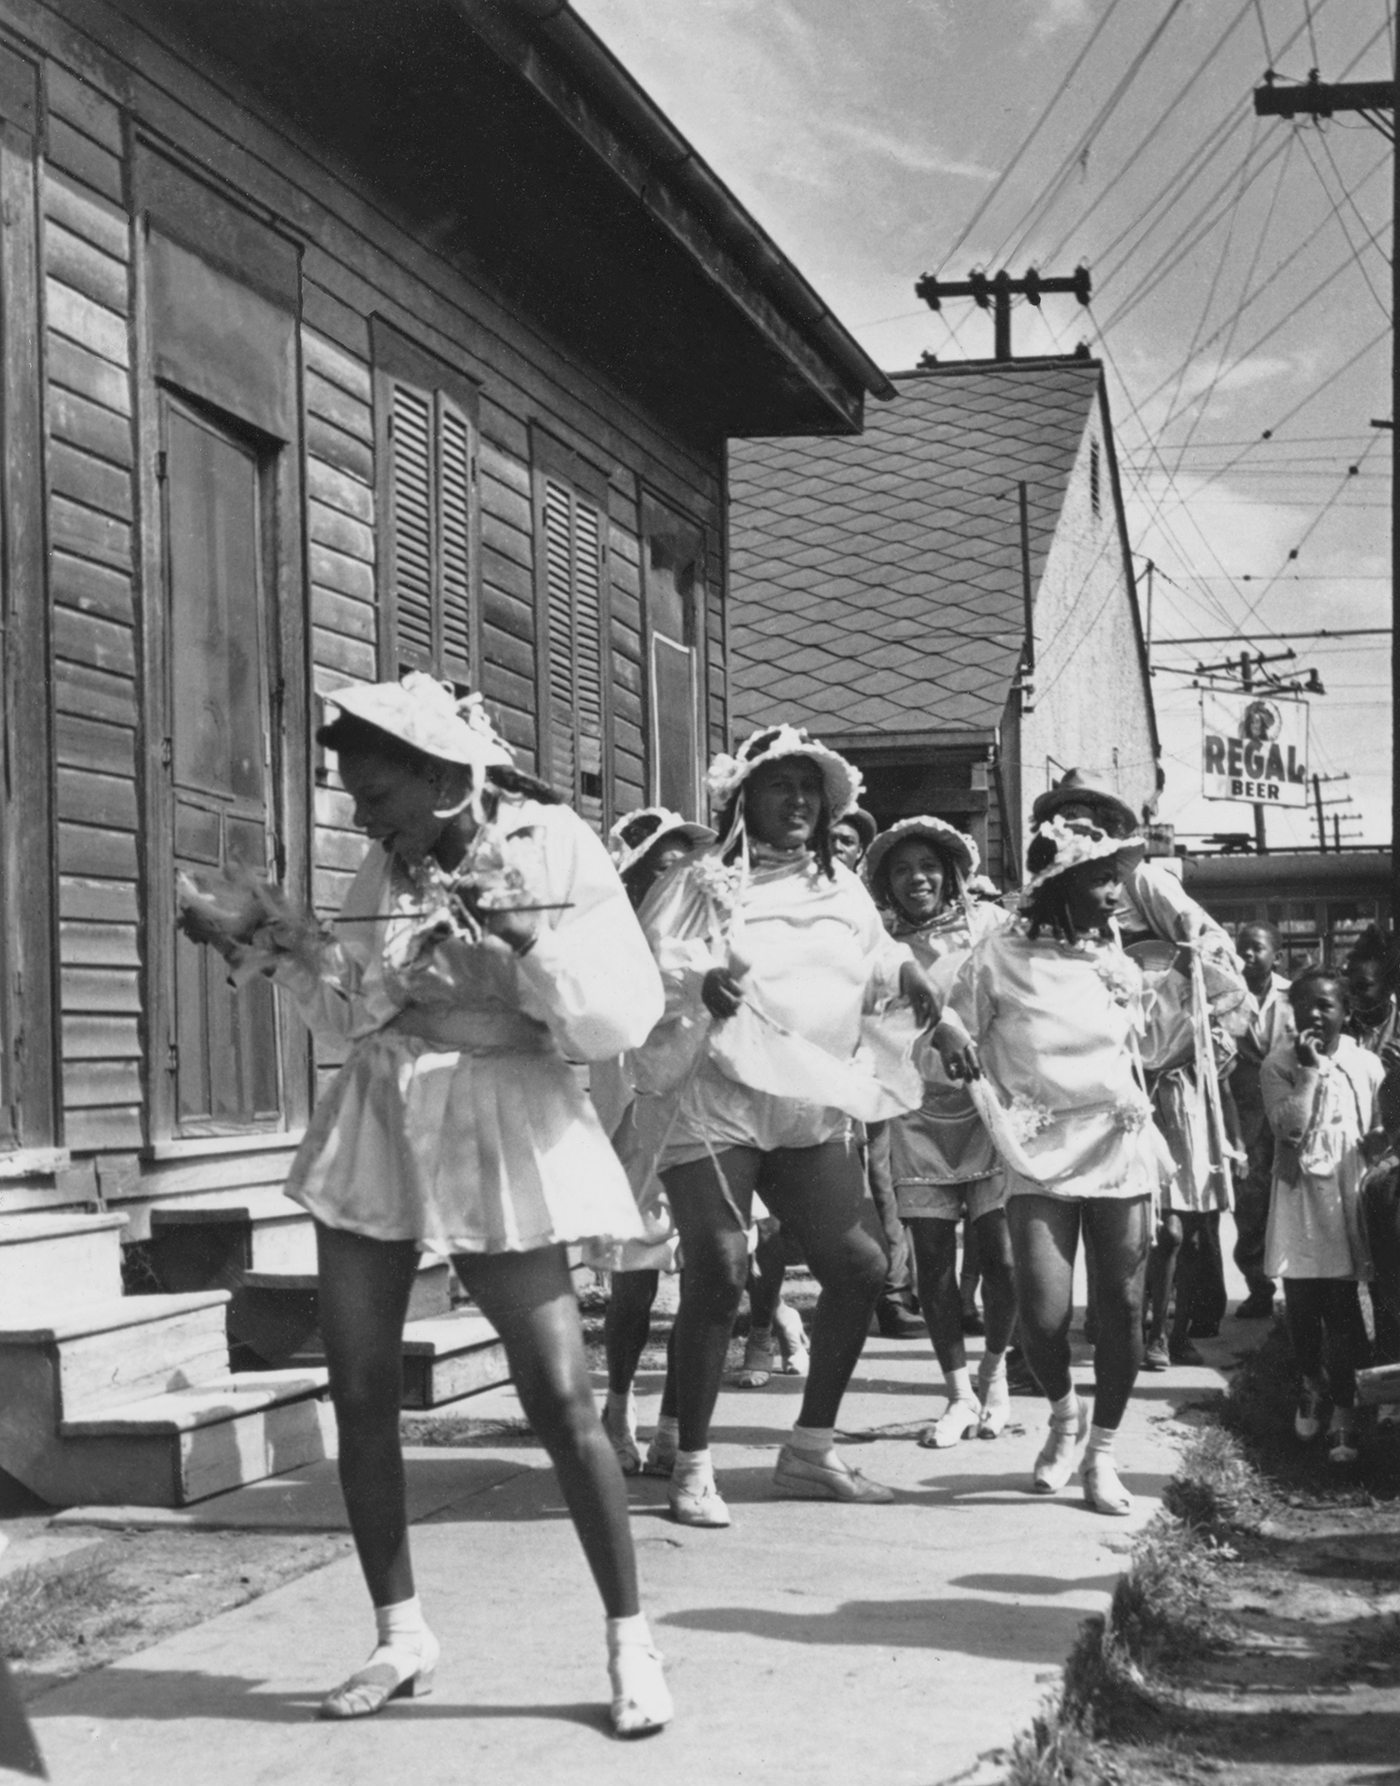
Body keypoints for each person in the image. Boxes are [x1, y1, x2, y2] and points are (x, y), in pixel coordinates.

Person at [178, 674, 672, 1737]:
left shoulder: (551, 846)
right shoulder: (390, 866)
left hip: (503, 1116)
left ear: (448, 779)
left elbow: (617, 1015)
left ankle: (631, 1640)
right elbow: (358, 1009)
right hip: (381, 1117)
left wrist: (522, 948)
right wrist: (266, 944)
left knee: (557, 1395)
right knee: (359, 1385)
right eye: (356, 799)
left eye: (377, 796)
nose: (364, 817)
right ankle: (400, 1634)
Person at [636, 725, 960, 1528]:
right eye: (780, 786)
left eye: (810, 789)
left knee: (859, 1264)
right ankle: (692, 1462)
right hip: (715, 1093)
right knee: (719, 1260)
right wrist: (700, 981)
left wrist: (914, 976)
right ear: (743, 798)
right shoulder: (702, 878)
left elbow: (876, 951)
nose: (799, 803)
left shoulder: (841, 884)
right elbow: (648, 956)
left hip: (805, 1098)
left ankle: (810, 1450)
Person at [946, 820, 1170, 1517]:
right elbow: (950, 1030)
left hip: (1116, 1145)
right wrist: (954, 1045)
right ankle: (1064, 1415)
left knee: (1123, 1306)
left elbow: (1152, 1047)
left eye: (1118, 878)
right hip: (1038, 1148)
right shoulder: (996, 957)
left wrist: (1190, 997)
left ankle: (1102, 1453)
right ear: (1059, 885)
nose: (1116, 893)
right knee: (1040, 1314)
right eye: (1103, 878)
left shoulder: (1117, 959)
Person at [1032, 770, 1246, 1365]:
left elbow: (1208, 945)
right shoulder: (1051, 892)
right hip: (1093, 1063)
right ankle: (1108, 1322)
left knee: (1173, 1217)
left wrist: (1177, 1009)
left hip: (1161, 1062)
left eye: (1090, 818)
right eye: (1066, 817)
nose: (1078, 827)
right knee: (1101, 1206)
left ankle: (1161, 1328)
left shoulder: (1141, 880)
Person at [866, 816, 1016, 1447]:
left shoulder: (992, 929)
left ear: (951, 871)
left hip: (989, 1106)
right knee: (932, 1260)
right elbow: (872, 1022)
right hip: (916, 1111)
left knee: (1003, 1258)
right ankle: (956, 1393)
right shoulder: (877, 944)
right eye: (901, 870)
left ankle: (996, 1376)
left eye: (927, 866)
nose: (916, 879)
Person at [591, 807, 714, 1477]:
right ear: (631, 880)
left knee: (708, 1273)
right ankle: (618, 1402)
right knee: (633, 1284)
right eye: (660, 871)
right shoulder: (609, 950)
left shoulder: (701, 944)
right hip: (636, 1123)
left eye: (683, 871)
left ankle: (675, 1420)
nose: (676, 883)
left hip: (700, 1118)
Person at [1262, 967, 1385, 1466]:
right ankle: (1310, 1380)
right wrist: (1309, 1072)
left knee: (1343, 1303)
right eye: (1305, 1004)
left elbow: (1376, 1131)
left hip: (1345, 1190)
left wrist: (1379, 1139)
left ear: (1346, 1012)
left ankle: (1344, 1410)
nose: (1314, 1014)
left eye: (1326, 1005)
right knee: (1302, 1297)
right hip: (1298, 1193)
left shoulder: (1367, 1063)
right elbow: (1287, 1131)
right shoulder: (1279, 1064)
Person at [830, 805, 925, 1339]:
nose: (839, 850)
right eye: (833, 839)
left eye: (849, 843)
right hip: (811, 1062)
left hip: (868, 1062)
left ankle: (892, 1293)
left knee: (881, 1181)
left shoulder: (873, 919)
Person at [1345, 926, 1400, 1423]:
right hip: (1350, 1162)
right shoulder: (1339, 1027)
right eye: (1349, 984)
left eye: (1363, 986)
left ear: (1387, 987)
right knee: (1374, 1280)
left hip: (1390, 1161)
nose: (1353, 995)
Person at [1230, 921, 1294, 1319]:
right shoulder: (1226, 995)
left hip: (1288, 1118)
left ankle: (1301, 1289)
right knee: (1250, 1211)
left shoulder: (1296, 996)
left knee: (1293, 1205)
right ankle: (1259, 1288)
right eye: (1242, 949)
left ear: (1277, 955)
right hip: (1246, 1120)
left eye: (1255, 948)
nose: (1247, 956)